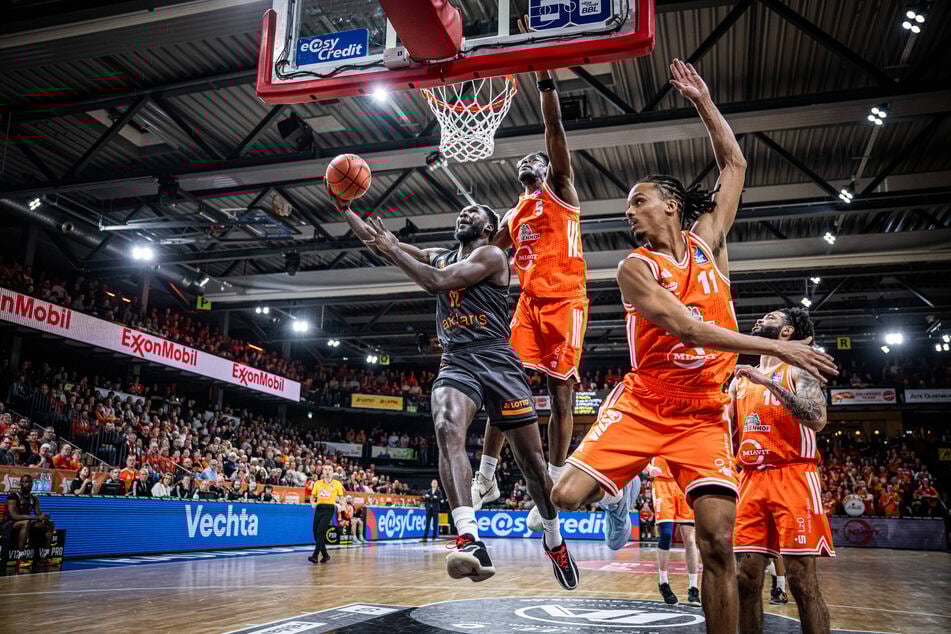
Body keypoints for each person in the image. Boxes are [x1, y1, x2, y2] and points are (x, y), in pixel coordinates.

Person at [549, 60, 837, 633]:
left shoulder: (709, 245)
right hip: (645, 401)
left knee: (718, 548)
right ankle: (619, 493)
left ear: (671, 206)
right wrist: (775, 350)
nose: (629, 212)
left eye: (638, 201)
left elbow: (734, 163)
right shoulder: (634, 268)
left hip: (704, 415)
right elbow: (689, 329)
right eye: (628, 205)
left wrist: (705, 101)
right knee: (564, 494)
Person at [341, 198, 577, 590]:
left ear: (488, 227)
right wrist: (344, 206)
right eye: (461, 212)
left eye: (474, 212)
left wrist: (394, 249)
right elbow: (378, 239)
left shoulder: (493, 256)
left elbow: (435, 281)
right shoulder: (440, 255)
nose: (463, 215)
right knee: (446, 426)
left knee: (532, 464)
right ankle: (470, 537)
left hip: (498, 360)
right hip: (457, 360)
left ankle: (553, 539)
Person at [472, 25, 588, 535]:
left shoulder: (561, 188)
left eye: (535, 158)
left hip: (566, 300)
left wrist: (542, 74)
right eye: (522, 159)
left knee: (560, 394)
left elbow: (554, 130)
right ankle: (487, 475)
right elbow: (479, 257)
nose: (528, 159)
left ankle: (558, 472)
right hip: (529, 304)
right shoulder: (513, 214)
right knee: (503, 384)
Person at [730, 307, 835, 633]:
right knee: (745, 581)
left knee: (801, 581)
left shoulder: (799, 369)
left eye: (771, 317)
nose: (760, 319)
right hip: (749, 480)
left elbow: (817, 419)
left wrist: (768, 383)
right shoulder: (739, 381)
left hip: (793, 476)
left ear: (787, 332)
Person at [648, 457, 700, 606]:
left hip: (684, 484)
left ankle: (693, 588)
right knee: (666, 534)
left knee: (690, 539)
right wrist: (648, 468)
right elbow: (640, 452)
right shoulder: (656, 434)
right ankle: (663, 583)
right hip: (662, 483)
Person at [2, 474, 55, 571]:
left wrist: (44, 517)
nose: (28, 484)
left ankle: (45, 557)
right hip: (9, 524)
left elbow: (38, 514)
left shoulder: (34, 498)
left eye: (30, 482)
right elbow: (15, 516)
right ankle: (20, 558)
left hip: (25, 524)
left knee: (49, 524)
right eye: (25, 482)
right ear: (20, 483)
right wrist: (36, 517)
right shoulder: (13, 496)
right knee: (26, 522)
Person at [310, 465, 344, 564]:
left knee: (320, 531)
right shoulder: (318, 483)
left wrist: (342, 504)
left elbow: (341, 497)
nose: (327, 471)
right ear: (322, 472)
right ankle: (325, 555)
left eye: (330, 470)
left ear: (333, 472)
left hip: (329, 508)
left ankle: (315, 555)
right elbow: (312, 496)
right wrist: (313, 503)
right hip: (319, 508)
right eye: (325, 469)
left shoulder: (337, 484)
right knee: (316, 533)